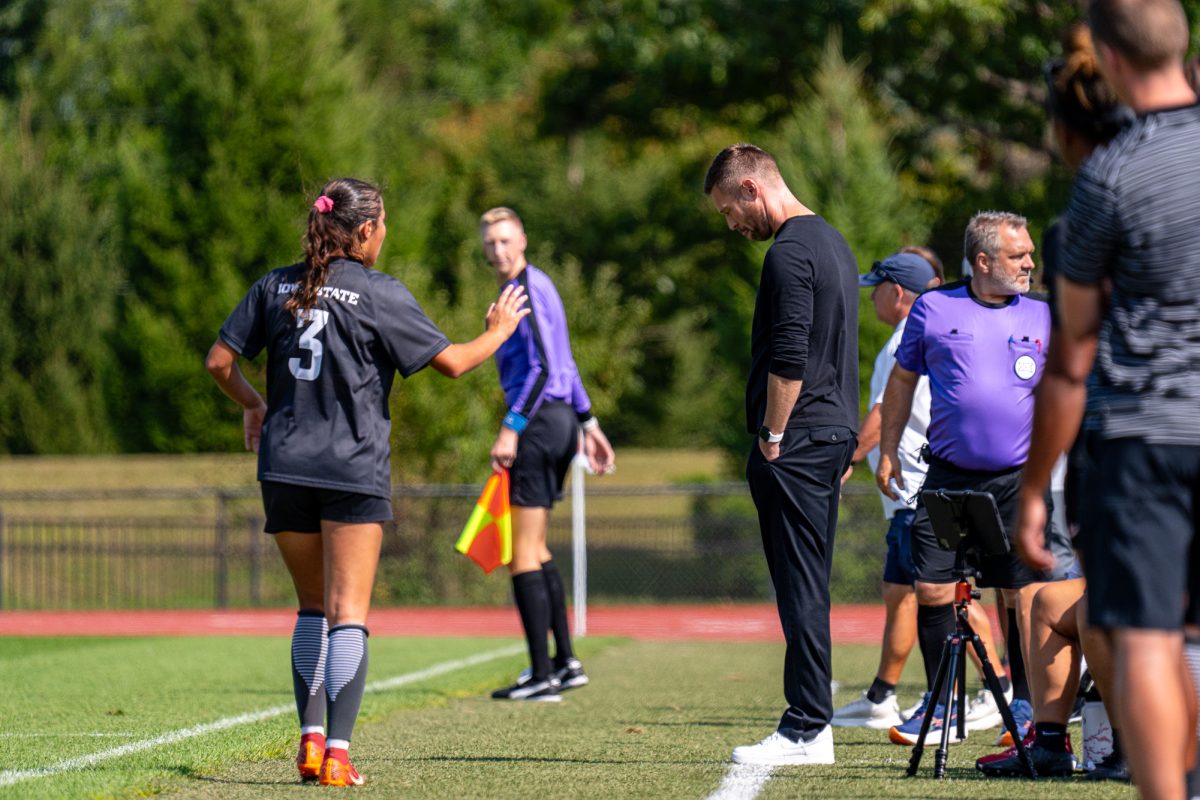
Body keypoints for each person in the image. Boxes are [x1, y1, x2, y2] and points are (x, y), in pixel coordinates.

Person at [205, 178, 530, 786]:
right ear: (363, 232)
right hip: (350, 468)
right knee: (347, 612)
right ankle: (338, 755)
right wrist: (501, 331)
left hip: (283, 466)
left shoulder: (274, 284)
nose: (385, 235)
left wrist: (254, 405)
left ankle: (308, 741)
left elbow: (220, 363)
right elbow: (454, 363)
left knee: (310, 608)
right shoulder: (378, 292)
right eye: (383, 225)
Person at [1013, 2, 1200, 796]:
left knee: (1149, 641)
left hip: (1144, 442)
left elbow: (1070, 359)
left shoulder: (1109, 177)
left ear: (1113, 64)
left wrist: (1032, 489)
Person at [977, 20, 1131, 781]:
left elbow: (1069, 376)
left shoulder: (1101, 208)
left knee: (1110, 609)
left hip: (1151, 466)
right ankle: (1051, 742)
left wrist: (1034, 491)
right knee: (1040, 601)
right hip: (1129, 473)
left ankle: (1136, 746)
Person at [877, 211, 1058, 748]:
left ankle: (1025, 709)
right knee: (932, 589)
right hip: (948, 477)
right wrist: (888, 452)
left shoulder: (1045, 316)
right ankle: (939, 710)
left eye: (1029, 253)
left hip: (1019, 483)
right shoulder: (934, 308)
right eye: (1017, 255)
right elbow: (903, 381)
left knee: (1021, 596)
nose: (1029, 263)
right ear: (983, 261)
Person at [704, 143, 858, 766]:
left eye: (727, 210)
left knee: (799, 583)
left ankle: (806, 726)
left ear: (750, 188)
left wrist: (772, 435)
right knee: (809, 582)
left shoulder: (789, 253)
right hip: (828, 433)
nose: (732, 224)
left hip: (796, 441)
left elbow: (791, 355)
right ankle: (810, 720)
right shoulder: (834, 243)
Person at [479, 207, 616, 703]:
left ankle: (542, 675)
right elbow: (567, 363)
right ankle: (566, 661)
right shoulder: (542, 284)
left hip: (536, 424)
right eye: (490, 242)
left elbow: (540, 369)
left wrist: (511, 427)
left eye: (505, 240)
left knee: (520, 554)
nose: (498, 250)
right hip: (559, 422)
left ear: (524, 240)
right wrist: (589, 423)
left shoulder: (523, 290)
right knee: (537, 550)